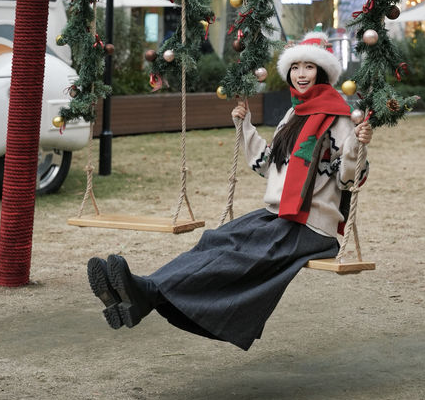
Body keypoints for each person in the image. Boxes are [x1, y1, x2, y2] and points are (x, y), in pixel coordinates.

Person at [86, 29, 373, 350]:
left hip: (310, 228)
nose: (301, 74)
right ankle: (142, 293)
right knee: (215, 241)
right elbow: (268, 164)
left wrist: (355, 148)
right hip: (279, 216)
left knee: (235, 259)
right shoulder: (294, 115)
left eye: (309, 67)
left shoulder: (340, 119)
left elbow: (349, 180)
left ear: (322, 72)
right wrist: (246, 125)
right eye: (295, 67)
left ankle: (146, 294)